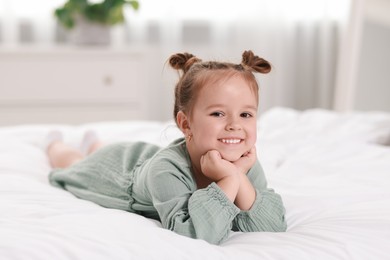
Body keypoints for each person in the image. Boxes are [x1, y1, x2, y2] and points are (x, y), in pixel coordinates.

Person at [47, 50, 287, 245]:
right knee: (73, 163)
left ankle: (93, 142)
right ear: (186, 124)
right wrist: (231, 178)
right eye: (218, 113)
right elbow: (194, 233)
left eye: (246, 114)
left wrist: (236, 175)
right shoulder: (166, 170)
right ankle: (55, 144)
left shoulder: (245, 163)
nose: (235, 125)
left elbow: (272, 224)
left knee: (97, 148)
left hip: (143, 159)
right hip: (116, 172)